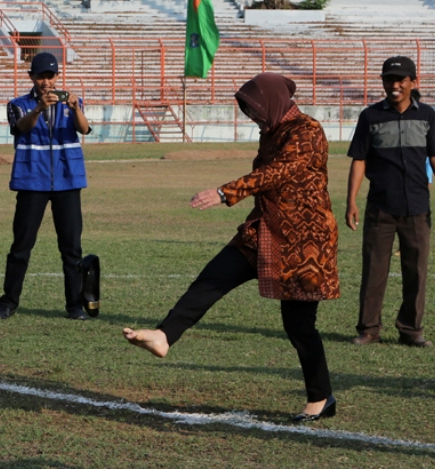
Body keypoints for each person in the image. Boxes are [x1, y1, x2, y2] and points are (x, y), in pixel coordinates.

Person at [123, 73, 340, 422]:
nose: (252, 117)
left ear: (271, 101)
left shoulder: (306, 130)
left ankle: (321, 398)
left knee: (298, 326)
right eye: (248, 111)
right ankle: (165, 335)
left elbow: (278, 173)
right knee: (213, 278)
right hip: (264, 231)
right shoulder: (271, 131)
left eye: (254, 109)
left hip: (304, 242)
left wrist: (226, 193)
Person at [346, 56, 435, 348]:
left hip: (418, 207)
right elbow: (359, 160)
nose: (394, 85)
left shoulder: (427, 116)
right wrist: (351, 202)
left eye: (401, 80)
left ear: (413, 82)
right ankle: (369, 329)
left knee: (416, 271)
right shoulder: (370, 117)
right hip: (380, 207)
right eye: (388, 80)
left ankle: (411, 330)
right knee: (374, 270)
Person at [0, 52, 93, 321]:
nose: (46, 82)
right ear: (32, 78)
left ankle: (74, 306)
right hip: (31, 180)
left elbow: (84, 130)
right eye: (40, 77)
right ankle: (8, 303)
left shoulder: (72, 102)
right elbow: (20, 128)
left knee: (71, 248)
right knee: (21, 246)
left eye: (50, 76)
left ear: (57, 77)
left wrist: (75, 109)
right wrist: (38, 108)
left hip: (68, 180)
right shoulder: (18, 104)